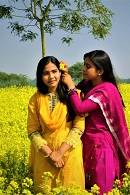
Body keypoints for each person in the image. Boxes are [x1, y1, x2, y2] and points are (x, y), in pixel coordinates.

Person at [62, 50, 130, 194]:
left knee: (101, 188)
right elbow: (75, 93)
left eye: (88, 66)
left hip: (101, 147)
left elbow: (80, 108)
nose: (83, 69)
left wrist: (70, 85)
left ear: (100, 70)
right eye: (84, 64)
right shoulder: (89, 85)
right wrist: (65, 74)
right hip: (88, 143)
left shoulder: (106, 90)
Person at [27, 56, 85, 193]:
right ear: (40, 76)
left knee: (70, 189)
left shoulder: (75, 95)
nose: (51, 76)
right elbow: (32, 130)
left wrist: (59, 153)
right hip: (44, 156)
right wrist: (50, 154)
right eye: (46, 73)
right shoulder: (35, 99)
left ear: (60, 73)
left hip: (69, 154)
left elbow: (79, 127)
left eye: (54, 71)